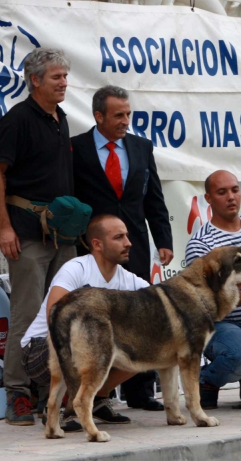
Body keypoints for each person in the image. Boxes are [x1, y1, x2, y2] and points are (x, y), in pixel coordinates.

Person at [0, 48, 75, 426]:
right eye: (56, 77)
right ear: (35, 80)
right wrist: (4, 227)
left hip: (63, 236)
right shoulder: (17, 120)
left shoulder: (61, 118)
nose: (64, 83)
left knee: (63, 314)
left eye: (65, 77)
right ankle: (17, 394)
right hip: (26, 235)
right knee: (27, 315)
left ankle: (51, 392)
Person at [71, 85, 173, 411]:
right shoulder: (76, 149)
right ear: (98, 116)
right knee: (93, 320)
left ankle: (140, 392)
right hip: (93, 250)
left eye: (128, 114)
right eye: (118, 115)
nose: (125, 120)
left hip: (134, 247)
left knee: (139, 317)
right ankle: (89, 397)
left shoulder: (142, 147)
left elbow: (153, 197)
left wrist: (164, 241)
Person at [22, 214, 151, 430]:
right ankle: (61, 409)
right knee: (90, 343)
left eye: (127, 236)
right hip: (39, 349)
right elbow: (53, 317)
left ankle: (96, 399)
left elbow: (157, 304)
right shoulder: (77, 268)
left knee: (145, 349)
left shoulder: (129, 279)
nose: (128, 243)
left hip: (89, 350)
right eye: (119, 237)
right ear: (97, 244)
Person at [184, 169, 241, 408]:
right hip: (220, 326)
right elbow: (201, 305)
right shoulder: (201, 243)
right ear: (209, 199)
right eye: (222, 192)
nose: (231, 197)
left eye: (235, 190)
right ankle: (205, 381)